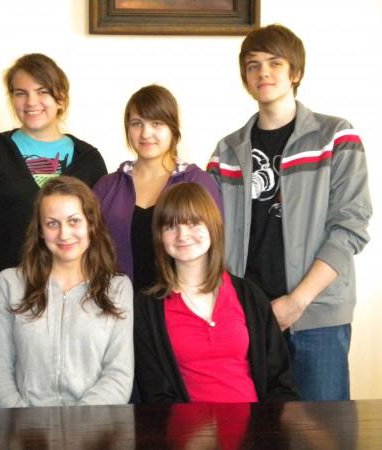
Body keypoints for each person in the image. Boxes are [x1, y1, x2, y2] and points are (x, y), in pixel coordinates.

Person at [207, 24, 372, 401]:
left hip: (317, 316)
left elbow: (350, 226)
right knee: (254, 428)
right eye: (253, 65)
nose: (263, 72)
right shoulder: (226, 152)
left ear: (295, 72)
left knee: (322, 428)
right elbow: (209, 233)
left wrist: (297, 301)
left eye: (275, 63)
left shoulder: (336, 137)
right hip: (247, 318)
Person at [0, 53, 107, 329]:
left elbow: (98, 236)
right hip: (0, 307)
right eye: (20, 93)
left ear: (61, 99)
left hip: (72, 309)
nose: (31, 102)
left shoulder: (89, 160)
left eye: (42, 91)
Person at [134, 182, 298, 404]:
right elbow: (155, 393)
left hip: (256, 422)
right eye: (171, 226)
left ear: (213, 227)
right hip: (186, 425)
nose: (182, 235)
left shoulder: (250, 296)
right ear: (159, 236)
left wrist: (265, 424)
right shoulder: (147, 308)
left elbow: (281, 380)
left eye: (193, 223)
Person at [0, 176, 133, 407]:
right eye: (52, 223)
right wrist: (26, 424)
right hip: (23, 425)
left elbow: (119, 375)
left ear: (91, 224)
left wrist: (78, 424)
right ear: (40, 230)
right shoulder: (9, 284)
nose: (64, 234)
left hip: (95, 425)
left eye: (74, 221)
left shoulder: (118, 288)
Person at [93, 85, 222, 293]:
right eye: (136, 123)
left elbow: (216, 247)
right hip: (118, 304)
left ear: (173, 128)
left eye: (156, 123)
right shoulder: (107, 187)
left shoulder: (197, 182)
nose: (146, 133)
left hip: (181, 303)